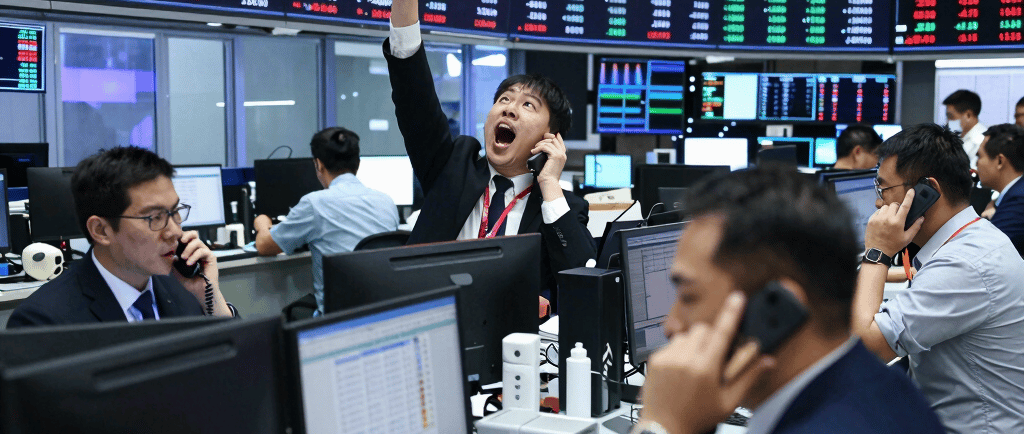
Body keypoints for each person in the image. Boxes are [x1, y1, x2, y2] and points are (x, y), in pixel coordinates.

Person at [632, 166, 943, 434]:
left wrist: (664, 424)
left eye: (688, 296)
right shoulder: (874, 386)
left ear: (778, 306)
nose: (671, 325)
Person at [384, 0, 595, 307]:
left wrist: (550, 184)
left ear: (550, 137)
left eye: (528, 105)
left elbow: (585, 279)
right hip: (430, 324)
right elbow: (414, 97)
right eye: (504, 99)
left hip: (510, 344)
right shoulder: (452, 167)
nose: (509, 107)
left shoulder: (560, 207)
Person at [851, 123, 1024, 433]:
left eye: (883, 188)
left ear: (926, 191)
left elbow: (865, 347)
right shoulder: (972, 240)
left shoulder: (966, 264)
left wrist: (877, 252)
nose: (878, 203)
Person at [7, 147, 235, 328]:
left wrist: (209, 297)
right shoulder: (44, 321)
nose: (175, 231)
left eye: (174, 212)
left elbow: (242, 372)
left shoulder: (184, 290)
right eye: (154, 217)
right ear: (101, 230)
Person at [253, 127, 399, 314]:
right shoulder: (386, 202)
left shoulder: (315, 204)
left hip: (335, 320)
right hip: (382, 313)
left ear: (319, 164)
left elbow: (265, 246)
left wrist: (262, 224)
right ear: (358, 163)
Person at [976, 123, 1024, 252]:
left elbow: (983, 250)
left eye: (979, 156)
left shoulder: (1018, 200)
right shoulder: (1015, 193)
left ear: (999, 161)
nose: (976, 164)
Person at [942, 90, 986, 168]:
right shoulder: (960, 137)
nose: (947, 121)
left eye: (951, 116)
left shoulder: (981, 140)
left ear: (968, 115)